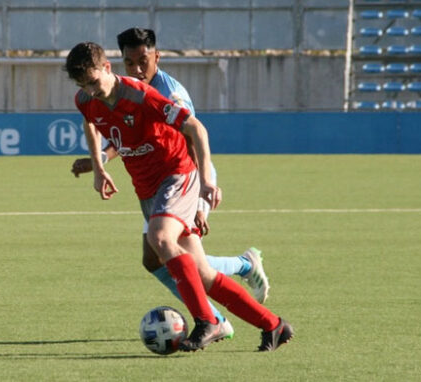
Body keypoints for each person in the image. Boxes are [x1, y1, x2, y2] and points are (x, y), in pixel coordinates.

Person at [65, 41, 293, 351]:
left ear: (107, 68)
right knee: (203, 273)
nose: (91, 90)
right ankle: (273, 325)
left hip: (177, 175)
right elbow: (90, 122)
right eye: (83, 85)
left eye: (93, 82)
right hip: (147, 189)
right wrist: (99, 166)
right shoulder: (86, 99)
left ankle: (208, 322)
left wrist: (206, 181)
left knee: (160, 239)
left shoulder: (141, 95)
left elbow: (196, 128)